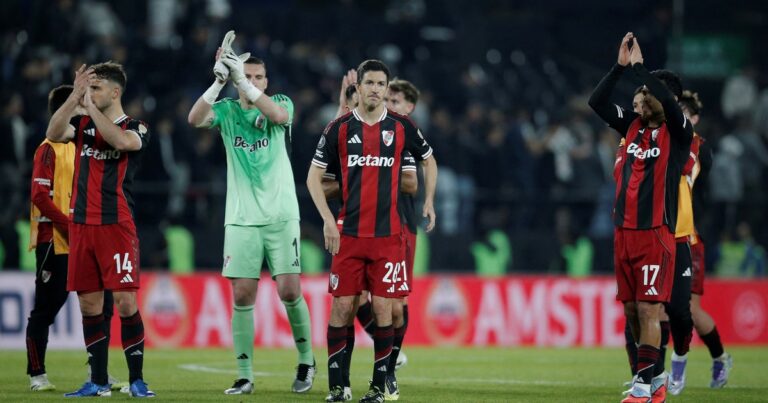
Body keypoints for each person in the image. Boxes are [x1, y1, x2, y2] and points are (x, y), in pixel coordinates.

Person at [187, 31, 316, 395]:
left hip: (280, 214)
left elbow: (276, 114)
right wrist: (217, 83)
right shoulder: (227, 111)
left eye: (260, 77)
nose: (254, 81)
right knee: (243, 295)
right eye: (248, 76)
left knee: (290, 290)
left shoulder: (281, 103)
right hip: (242, 218)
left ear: (266, 81)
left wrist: (242, 80)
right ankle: (244, 375)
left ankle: (306, 361)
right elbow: (195, 119)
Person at [307, 59, 437, 403]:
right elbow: (312, 178)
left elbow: (429, 159)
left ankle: (379, 388)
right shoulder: (338, 128)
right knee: (341, 309)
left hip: (389, 237)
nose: (376, 89)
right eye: (371, 83)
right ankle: (338, 387)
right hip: (348, 235)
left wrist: (429, 201)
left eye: (382, 84)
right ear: (359, 88)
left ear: (386, 86)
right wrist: (325, 219)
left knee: (384, 310)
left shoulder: (402, 126)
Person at [589, 33, 692, 403]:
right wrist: (619, 68)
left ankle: (643, 387)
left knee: (650, 308)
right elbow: (596, 101)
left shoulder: (679, 133)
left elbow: (662, 96)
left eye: (650, 92)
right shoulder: (630, 126)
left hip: (655, 233)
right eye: (642, 91)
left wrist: (639, 68)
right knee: (632, 310)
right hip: (624, 233)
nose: (644, 96)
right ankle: (655, 376)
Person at [45, 62, 154, 398]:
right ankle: (98, 381)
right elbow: (52, 133)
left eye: (96, 88)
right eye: (89, 88)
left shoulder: (137, 127)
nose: (90, 95)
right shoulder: (79, 125)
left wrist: (88, 107)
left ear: (115, 92)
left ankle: (136, 379)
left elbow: (120, 141)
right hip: (82, 225)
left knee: (124, 302)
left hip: (116, 226)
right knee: (89, 306)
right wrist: (73, 98)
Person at [26, 85, 123, 393]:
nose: (87, 111)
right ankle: (36, 374)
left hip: (88, 240)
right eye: (82, 106)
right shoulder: (48, 147)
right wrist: (71, 226)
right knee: (46, 309)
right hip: (55, 241)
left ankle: (100, 374)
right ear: (68, 110)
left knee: (103, 308)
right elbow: (39, 196)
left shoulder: (83, 145)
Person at [679, 90, 733, 389]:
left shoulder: (700, 149)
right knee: (657, 307)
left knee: (689, 309)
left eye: (684, 113)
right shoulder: (663, 144)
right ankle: (656, 375)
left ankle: (720, 357)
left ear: (695, 118)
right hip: (662, 234)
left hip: (691, 234)